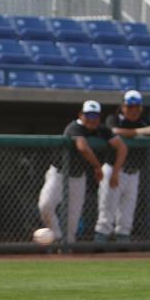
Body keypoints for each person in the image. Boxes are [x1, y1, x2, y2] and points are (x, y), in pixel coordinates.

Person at [37, 100, 127, 244]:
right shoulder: (74, 127)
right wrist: (97, 167)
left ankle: (66, 252)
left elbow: (122, 147)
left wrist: (115, 172)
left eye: (95, 116)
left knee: (72, 221)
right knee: (45, 205)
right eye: (89, 115)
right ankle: (57, 237)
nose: (92, 119)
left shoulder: (102, 129)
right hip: (59, 174)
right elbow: (82, 147)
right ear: (81, 114)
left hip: (78, 178)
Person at [95, 90, 150, 243]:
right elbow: (113, 131)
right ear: (123, 106)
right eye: (130, 107)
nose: (133, 110)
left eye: (136, 107)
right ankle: (101, 239)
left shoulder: (143, 120)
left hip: (133, 172)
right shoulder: (114, 118)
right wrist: (145, 131)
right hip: (113, 169)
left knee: (127, 210)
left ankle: (123, 239)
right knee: (107, 207)